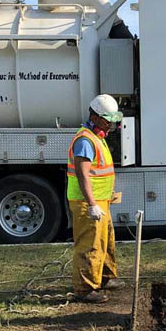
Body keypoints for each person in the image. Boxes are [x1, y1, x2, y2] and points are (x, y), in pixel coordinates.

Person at [67, 94, 126, 303]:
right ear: (94, 117)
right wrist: (92, 203)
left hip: (100, 202)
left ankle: (105, 278)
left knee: (105, 242)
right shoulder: (85, 141)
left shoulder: (98, 138)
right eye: (107, 120)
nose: (110, 125)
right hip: (86, 203)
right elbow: (83, 174)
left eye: (112, 120)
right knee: (90, 244)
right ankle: (85, 289)